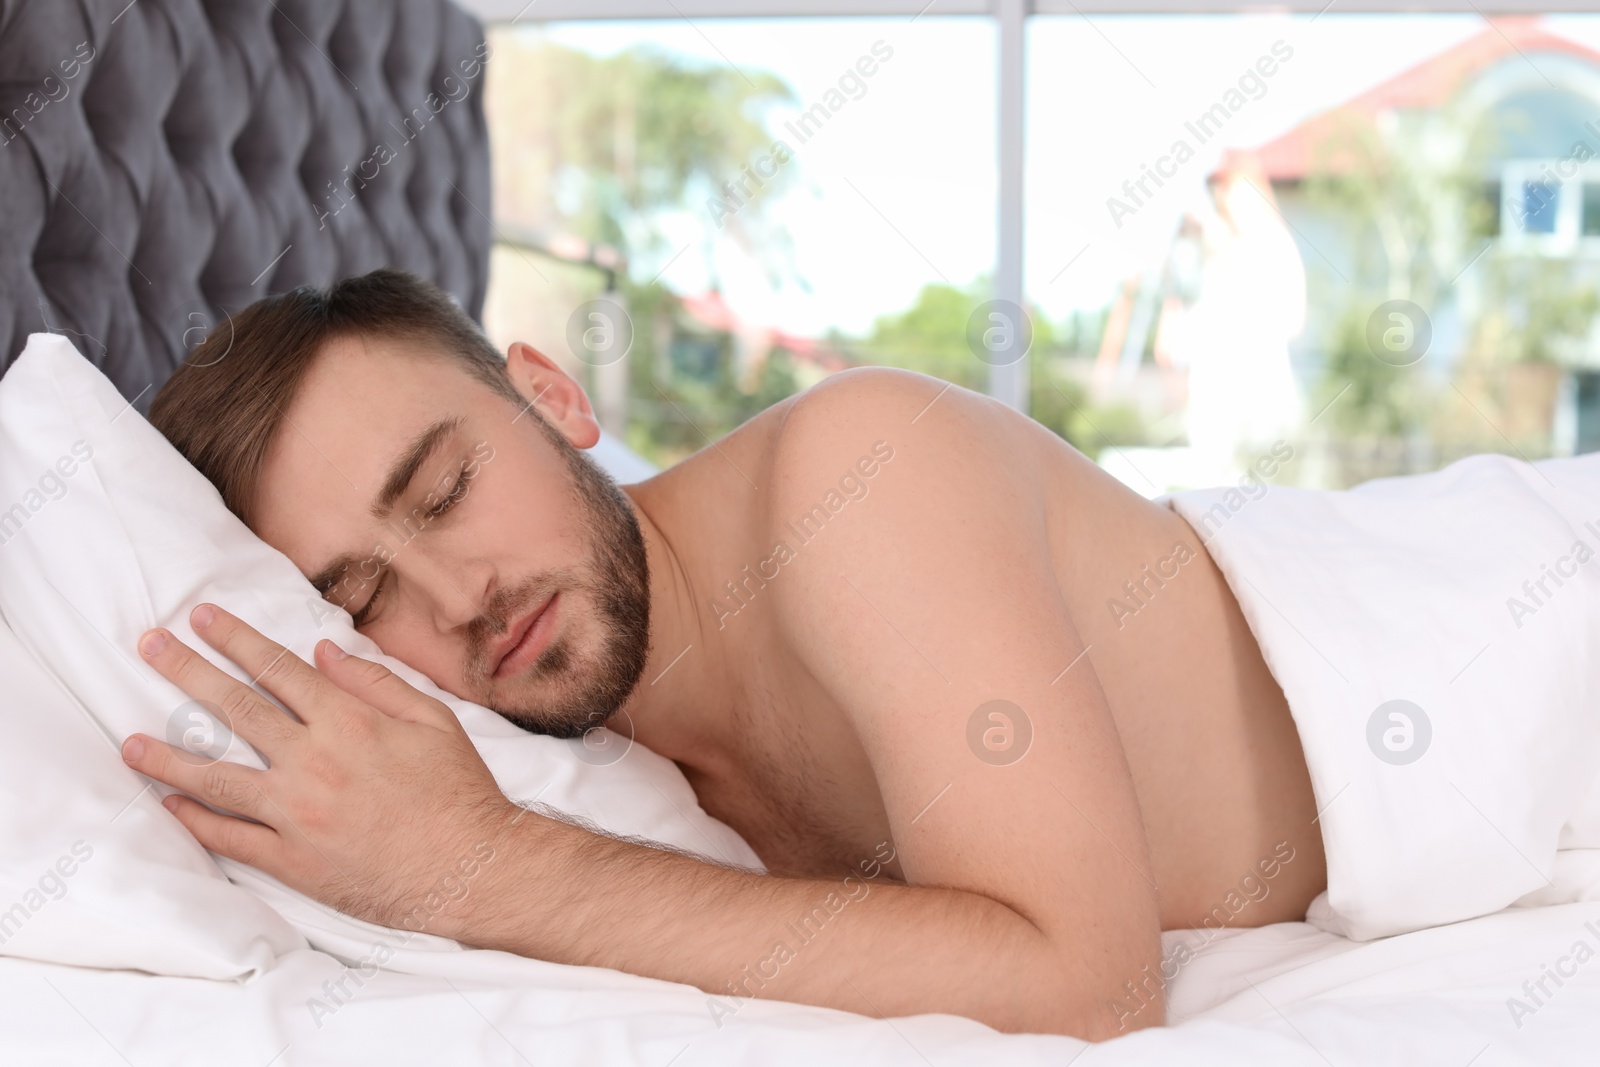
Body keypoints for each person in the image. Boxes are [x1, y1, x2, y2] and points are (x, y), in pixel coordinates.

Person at [119, 269, 1326, 1040]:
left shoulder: (857, 480)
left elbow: (1090, 991)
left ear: (552, 397)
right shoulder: (621, 781)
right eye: (366, 596)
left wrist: (483, 865)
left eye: (447, 490)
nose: (461, 596)